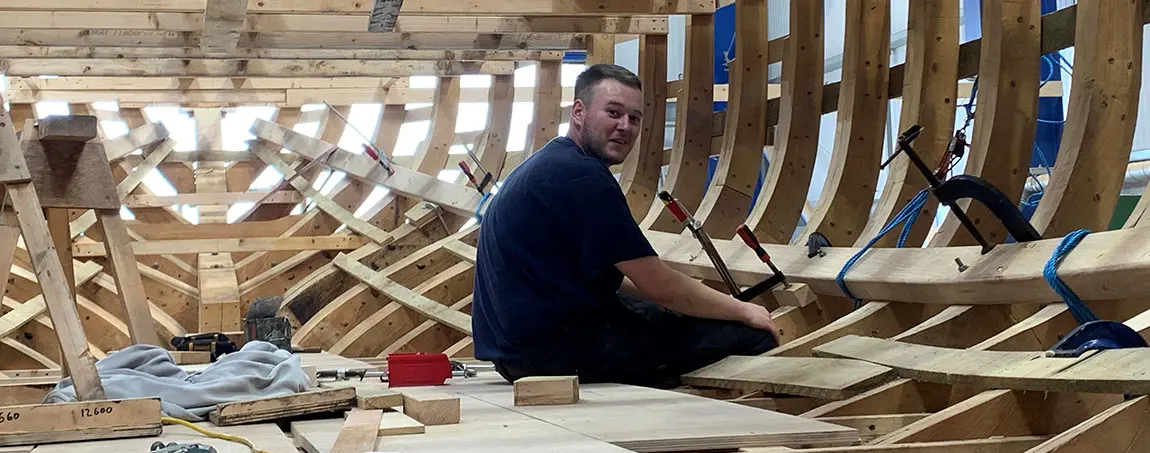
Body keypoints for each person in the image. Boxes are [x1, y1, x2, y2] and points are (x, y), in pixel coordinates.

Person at [471, 63, 779, 388]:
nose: (625, 126)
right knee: (748, 335)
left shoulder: (548, 164)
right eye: (613, 113)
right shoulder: (583, 177)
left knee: (670, 315)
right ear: (579, 112)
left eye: (634, 118)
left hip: (515, 353)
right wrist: (743, 310)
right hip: (554, 354)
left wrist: (688, 301)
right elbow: (659, 285)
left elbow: (622, 281)